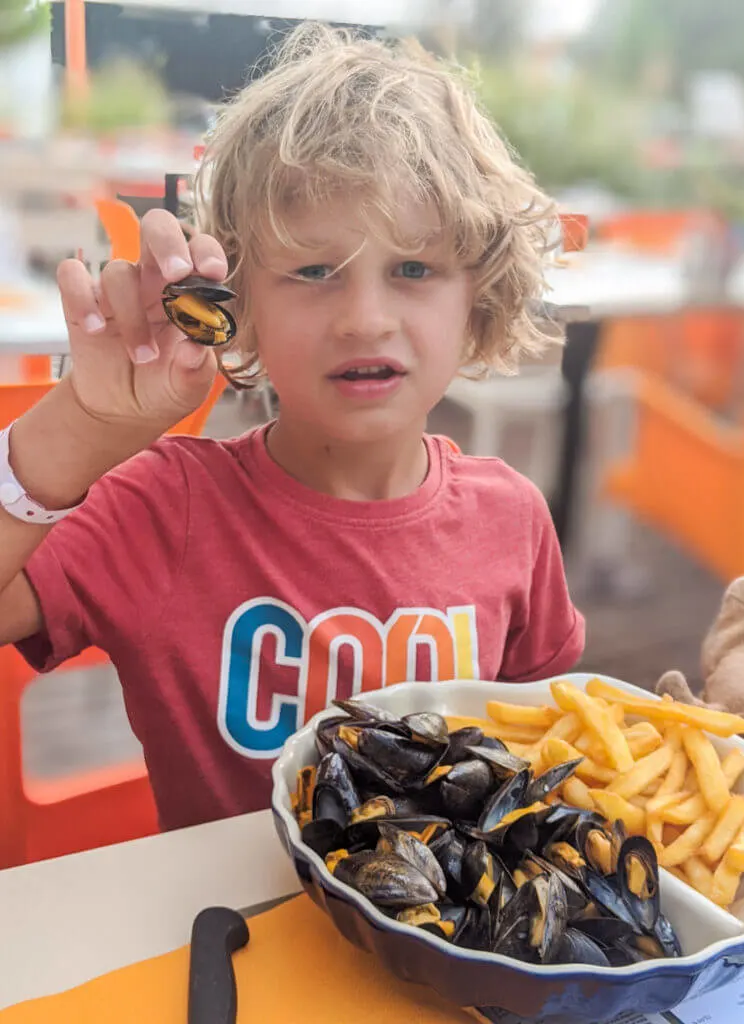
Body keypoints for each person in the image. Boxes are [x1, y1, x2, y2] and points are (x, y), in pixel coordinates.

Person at [0, 23, 584, 832]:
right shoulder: (168, 509)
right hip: (231, 940)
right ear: (238, 301)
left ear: (477, 297)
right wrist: (81, 429)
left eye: (413, 269)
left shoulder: (513, 518)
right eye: (313, 272)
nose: (365, 318)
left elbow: (552, 742)